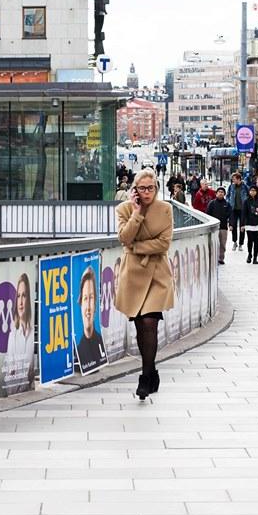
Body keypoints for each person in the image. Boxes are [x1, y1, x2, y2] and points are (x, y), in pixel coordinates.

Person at [115, 168, 174, 401]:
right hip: (133, 274)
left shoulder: (165, 209)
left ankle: (145, 377)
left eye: (151, 188)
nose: (147, 192)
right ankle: (152, 372)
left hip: (158, 273)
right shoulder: (124, 209)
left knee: (150, 322)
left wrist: (137, 248)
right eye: (142, 188)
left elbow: (164, 243)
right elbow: (124, 237)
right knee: (140, 325)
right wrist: (137, 213)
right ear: (135, 190)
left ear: (156, 189)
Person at [3, 273, 35, 392]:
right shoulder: (13, 336)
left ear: (29, 299)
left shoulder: (33, 334)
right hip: (15, 392)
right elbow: (9, 375)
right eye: (18, 296)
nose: (20, 302)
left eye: (24, 296)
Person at [75, 266, 107, 373]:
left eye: (91, 298)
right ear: (80, 303)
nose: (88, 307)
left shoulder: (101, 343)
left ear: (95, 303)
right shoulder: (77, 349)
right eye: (85, 299)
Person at [206, 186, 231, 265]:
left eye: (222, 192)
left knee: (222, 244)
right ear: (216, 194)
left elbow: (231, 215)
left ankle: (221, 258)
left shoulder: (227, 204)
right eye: (219, 192)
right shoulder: (212, 203)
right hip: (213, 228)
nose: (220, 193)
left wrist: (231, 224)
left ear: (224, 194)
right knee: (213, 244)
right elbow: (207, 215)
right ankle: (213, 258)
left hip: (223, 227)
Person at [243, 185, 258, 265]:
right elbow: (243, 213)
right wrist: (242, 224)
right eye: (251, 190)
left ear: (256, 191)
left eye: (254, 190)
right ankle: (249, 254)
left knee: (257, 242)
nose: (252, 192)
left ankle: (255, 257)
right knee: (250, 240)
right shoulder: (246, 201)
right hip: (249, 223)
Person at [227, 172, 249, 252]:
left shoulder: (245, 187)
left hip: (243, 209)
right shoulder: (231, 186)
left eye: (234, 179)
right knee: (233, 226)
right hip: (233, 209)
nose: (233, 180)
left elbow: (249, 196)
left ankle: (240, 244)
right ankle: (235, 242)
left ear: (239, 179)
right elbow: (228, 195)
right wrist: (228, 202)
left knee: (242, 227)